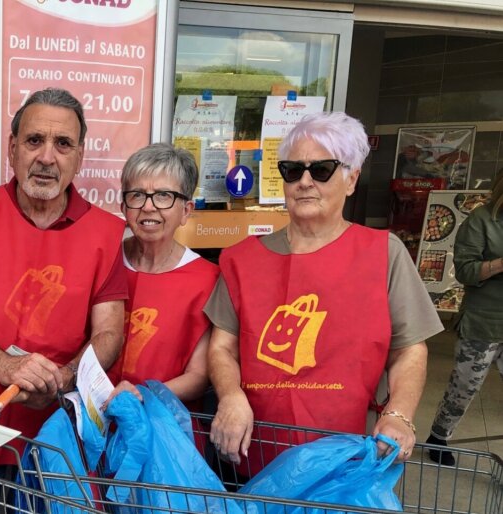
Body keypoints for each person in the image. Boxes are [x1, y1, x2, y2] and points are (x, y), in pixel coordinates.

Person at [206, 112, 441, 478]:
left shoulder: (384, 252)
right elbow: (222, 346)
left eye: (321, 170)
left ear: (351, 179)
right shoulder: (241, 259)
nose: (304, 182)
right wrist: (231, 396)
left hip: (347, 453)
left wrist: (399, 414)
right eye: (292, 170)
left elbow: (409, 348)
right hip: (255, 450)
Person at [0, 88, 127, 514]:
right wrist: (6, 366)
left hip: (58, 432)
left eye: (63, 144)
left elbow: (110, 331)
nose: (46, 157)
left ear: (79, 157)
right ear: (12, 149)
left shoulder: (107, 233)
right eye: (34, 140)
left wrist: (63, 378)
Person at [105, 144, 216, 406]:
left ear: (186, 211)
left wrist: (141, 396)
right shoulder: (105, 261)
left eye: (164, 196)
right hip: (96, 417)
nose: (148, 207)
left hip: (162, 425)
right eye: (137, 195)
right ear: (123, 206)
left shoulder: (207, 280)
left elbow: (200, 375)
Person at [426, 174, 503, 466]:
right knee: (463, 388)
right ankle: (438, 435)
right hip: (483, 322)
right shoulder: (482, 220)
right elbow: (465, 272)